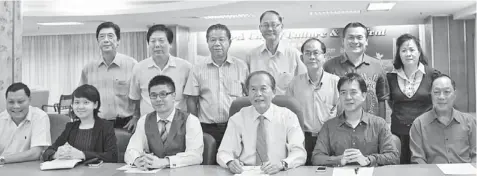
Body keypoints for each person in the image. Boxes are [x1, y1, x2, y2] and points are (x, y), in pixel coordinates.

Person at [217, 71, 306, 175]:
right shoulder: (238, 118)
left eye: (263, 89)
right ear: (247, 93)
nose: (258, 94)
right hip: (246, 172)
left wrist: (282, 164)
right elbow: (223, 152)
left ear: (273, 92)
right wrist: (230, 162)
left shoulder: (288, 117)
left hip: (278, 172)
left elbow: (299, 153)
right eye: (253, 89)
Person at [312, 73, 399, 166]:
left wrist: (368, 160)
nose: (348, 97)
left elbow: (393, 157)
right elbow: (316, 158)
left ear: (364, 95)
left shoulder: (379, 124)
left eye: (353, 92)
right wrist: (339, 160)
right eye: (343, 93)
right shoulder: (329, 126)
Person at [184, 24, 249, 148]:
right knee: (209, 163)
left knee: (235, 162)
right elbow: (192, 100)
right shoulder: (197, 68)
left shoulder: (242, 66)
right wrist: (195, 126)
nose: (217, 44)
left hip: (236, 126)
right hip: (207, 128)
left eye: (221, 39)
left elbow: (248, 97)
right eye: (212, 40)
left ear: (229, 42)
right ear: (207, 42)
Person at [125, 75, 203, 169]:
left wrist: (165, 162)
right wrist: (137, 160)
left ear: (173, 96)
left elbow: (195, 156)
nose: (158, 99)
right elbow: (131, 149)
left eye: (163, 94)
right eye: (153, 95)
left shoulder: (191, 121)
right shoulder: (144, 120)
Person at [386, 34, 441, 164]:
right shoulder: (390, 76)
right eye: (403, 50)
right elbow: (390, 101)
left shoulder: (432, 74)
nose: (408, 54)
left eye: (412, 50)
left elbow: (439, 100)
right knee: (401, 167)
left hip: (426, 132)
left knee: (425, 168)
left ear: (419, 51)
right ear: (398, 54)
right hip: (399, 132)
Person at [286, 38, 339, 165]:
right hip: (303, 139)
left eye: (316, 53)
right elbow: (288, 114)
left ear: (324, 56)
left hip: (329, 138)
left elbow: (342, 113)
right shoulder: (294, 83)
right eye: (308, 53)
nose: (312, 57)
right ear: (301, 57)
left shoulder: (336, 82)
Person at [129, 24, 192, 131]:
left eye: (161, 41)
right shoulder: (139, 68)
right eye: (153, 41)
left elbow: (191, 98)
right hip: (148, 125)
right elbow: (135, 97)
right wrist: (135, 117)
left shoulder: (185, 67)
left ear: (170, 43)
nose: (157, 45)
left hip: (178, 125)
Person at [323, 22, 389, 119]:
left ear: (366, 41)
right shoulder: (329, 66)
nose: (355, 41)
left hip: (370, 127)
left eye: (359, 37)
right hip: (339, 127)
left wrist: (382, 126)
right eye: (350, 37)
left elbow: (382, 99)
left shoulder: (377, 66)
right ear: (343, 41)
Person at [79, 21, 138, 130]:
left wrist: (136, 117)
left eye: (110, 36)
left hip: (126, 124)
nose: (106, 40)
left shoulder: (132, 65)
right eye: (102, 37)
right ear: (98, 42)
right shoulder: (89, 68)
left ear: (118, 41)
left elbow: (139, 95)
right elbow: (81, 97)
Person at [42, 84, 118, 162]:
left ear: (95, 105)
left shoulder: (106, 127)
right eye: (77, 102)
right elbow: (47, 152)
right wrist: (56, 154)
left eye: (86, 102)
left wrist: (82, 155)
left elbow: (112, 156)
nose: (80, 106)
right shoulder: (70, 127)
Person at [409, 74, 476, 164]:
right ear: (431, 95)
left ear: (454, 94)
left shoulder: (470, 122)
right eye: (436, 92)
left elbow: (475, 155)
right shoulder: (419, 124)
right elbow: (418, 159)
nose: (441, 97)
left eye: (447, 92)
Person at [245, 10, 307, 95]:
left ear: (281, 27)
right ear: (260, 28)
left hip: (286, 107)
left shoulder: (294, 55)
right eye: (266, 25)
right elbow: (247, 88)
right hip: (259, 106)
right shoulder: (251, 56)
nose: (270, 29)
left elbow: (304, 85)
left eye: (274, 25)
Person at [0, 83, 51, 164]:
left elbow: (35, 153)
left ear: (29, 100)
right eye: (11, 102)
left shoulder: (39, 117)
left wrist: (2, 159)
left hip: (27, 168)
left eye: (20, 102)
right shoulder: (2, 118)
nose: (16, 106)